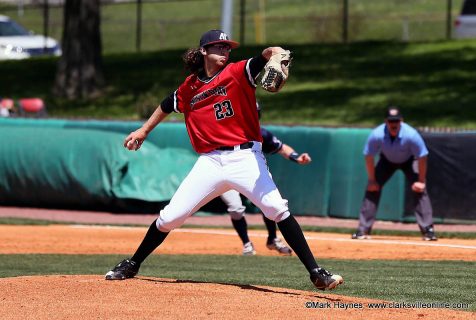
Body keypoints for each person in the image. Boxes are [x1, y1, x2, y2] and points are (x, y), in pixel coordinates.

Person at [105, 29, 343, 291]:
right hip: (210, 162)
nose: (225, 51)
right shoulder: (190, 86)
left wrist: (275, 53)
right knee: (170, 218)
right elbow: (166, 104)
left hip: (245, 157)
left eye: (227, 47)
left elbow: (265, 55)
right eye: (219, 46)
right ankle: (133, 263)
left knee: (276, 208)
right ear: (204, 51)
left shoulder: (238, 72)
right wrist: (143, 131)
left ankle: (316, 272)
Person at [223, 126, 312, 256]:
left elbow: (281, 147)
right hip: (222, 171)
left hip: (247, 175)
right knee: (235, 208)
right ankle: (247, 243)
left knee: (269, 202)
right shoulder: (224, 128)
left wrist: (297, 157)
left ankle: (272, 239)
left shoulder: (258, 132)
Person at [352, 107, 437, 241]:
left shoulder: (411, 134)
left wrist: (421, 180)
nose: (394, 124)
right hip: (386, 161)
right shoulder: (377, 134)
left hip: (410, 160)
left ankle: (428, 230)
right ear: (386, 121)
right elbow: (368, 156)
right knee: (372, 188)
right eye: (391, 121)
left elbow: (422, 157)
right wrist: (372, 179)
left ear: (401, 121)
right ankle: (363, 230)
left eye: (396, 121)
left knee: (420, 189)